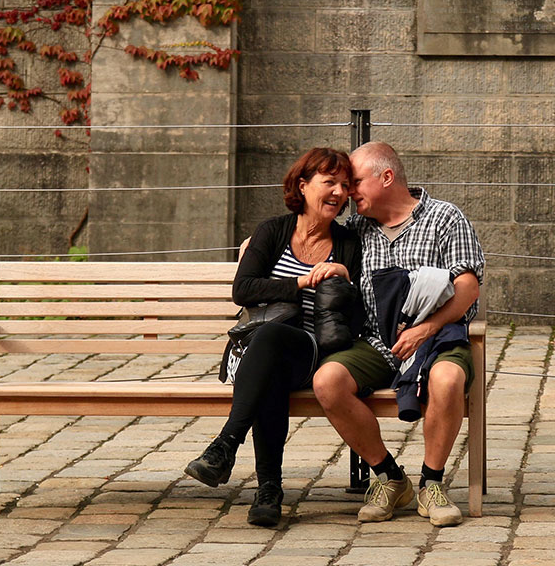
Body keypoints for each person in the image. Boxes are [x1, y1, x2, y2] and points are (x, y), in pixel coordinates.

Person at [183, 147, 362, 527]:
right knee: (269, 360)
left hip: (312, 350)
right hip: (256, 354)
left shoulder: (348, 243)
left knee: (272, 342)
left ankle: (226, 446)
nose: (339, 192)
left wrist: (344, 278)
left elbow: (360, 313)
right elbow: (243, 290)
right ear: (303, 184)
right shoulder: (272, 230)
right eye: (329, 182)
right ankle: (269, 494)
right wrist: (299, 282)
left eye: (345, 185)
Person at [313, 141, 484, 527]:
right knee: (328, 381)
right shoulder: (357, 227)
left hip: (437, 338)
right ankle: (390, 478)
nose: (347, 191)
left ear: (386, 177)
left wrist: (426, 328)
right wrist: (259, 242)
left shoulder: (444, 218)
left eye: (354, 181)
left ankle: (432, 484)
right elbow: (305, 230)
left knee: (448, 377)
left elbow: (468, 286)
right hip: (376, 341)